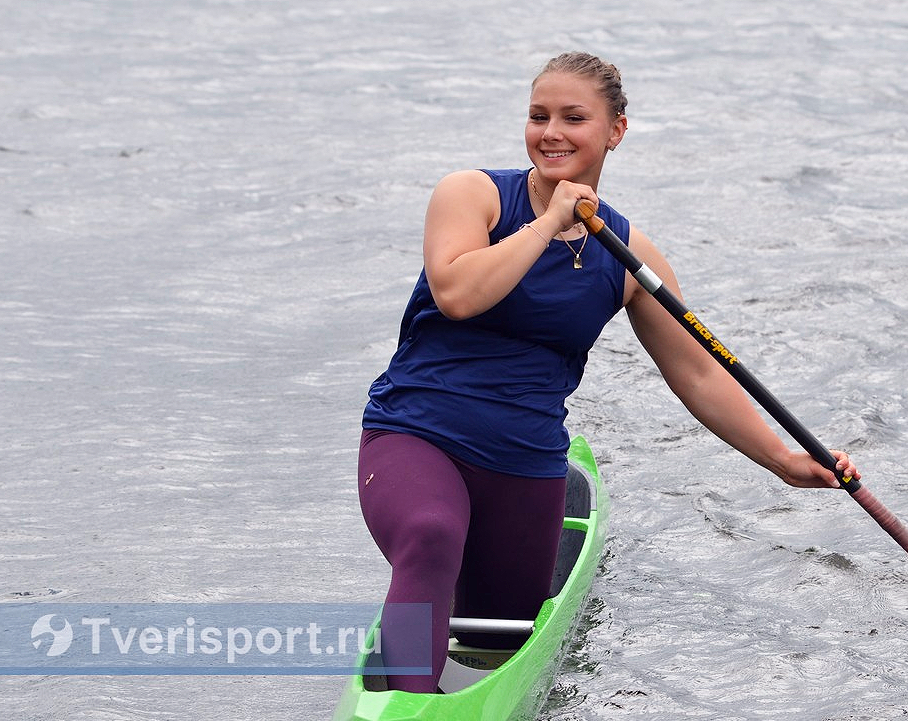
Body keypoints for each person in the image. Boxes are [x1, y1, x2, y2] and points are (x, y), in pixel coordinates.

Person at [358, 51, 859, 693]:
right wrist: (548, 225)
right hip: (415, 435)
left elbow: (699, 378)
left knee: (491, 636)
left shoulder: (628, 255)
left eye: (574, 117)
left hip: (523, 462)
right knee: (429, 533)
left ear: (615, 131)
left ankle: (440, 631)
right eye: (539, 116)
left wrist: (785, 462)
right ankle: (406, 697)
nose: (551, 132)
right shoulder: (473, 195)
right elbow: (457, 293)